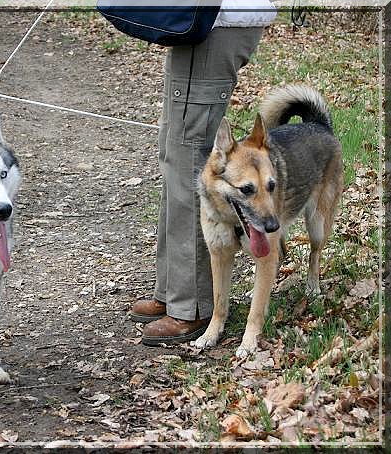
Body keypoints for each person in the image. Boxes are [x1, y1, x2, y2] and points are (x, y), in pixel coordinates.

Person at [129, 0, 277, 345]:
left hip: (216, 21)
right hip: (200, 21)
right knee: (173, 153)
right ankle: (170, 290)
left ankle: (190, 306)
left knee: (187, 161)